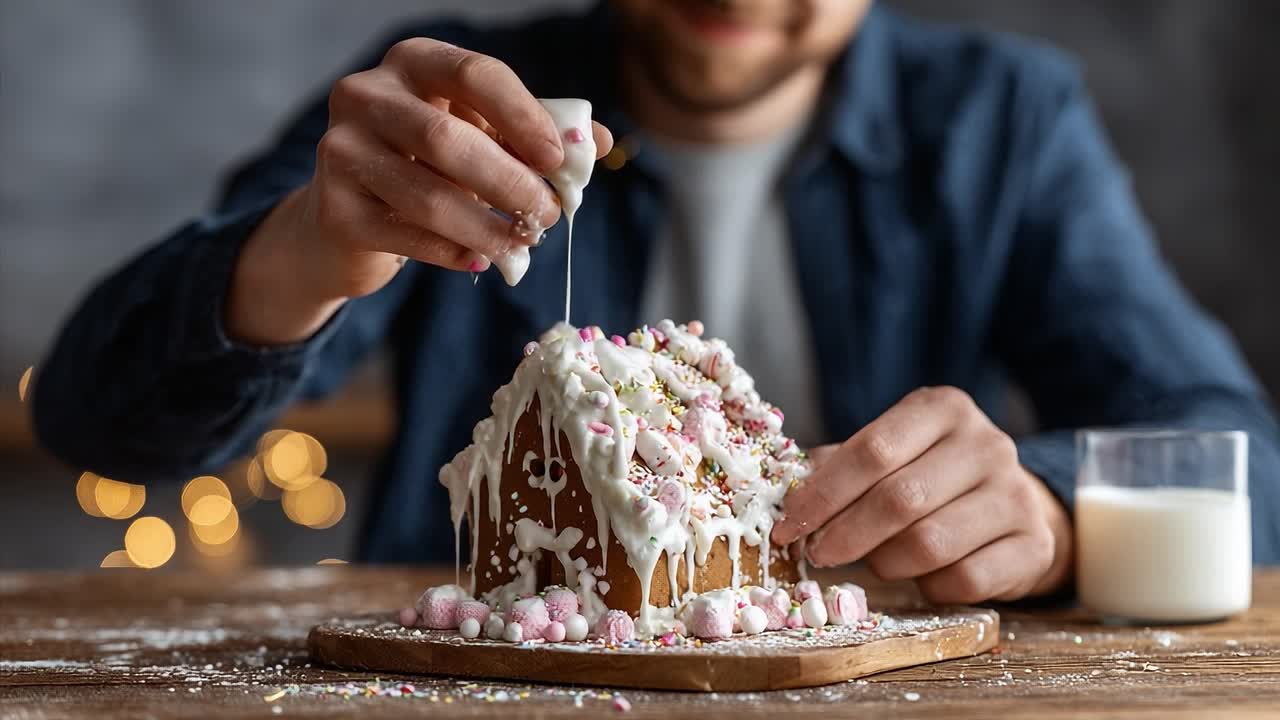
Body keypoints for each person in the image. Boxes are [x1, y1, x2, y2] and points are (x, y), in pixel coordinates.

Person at [31, 0, 1280, 603]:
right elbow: (95, 418)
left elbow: (1234, 457)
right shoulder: (450, 107)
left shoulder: (999, 125)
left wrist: (1052, 511)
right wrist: (301, 250)